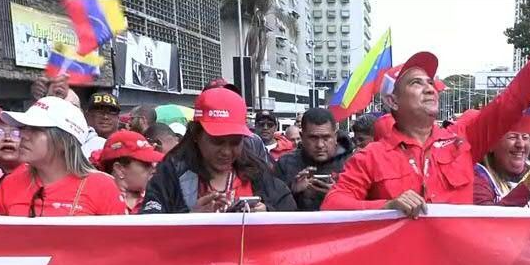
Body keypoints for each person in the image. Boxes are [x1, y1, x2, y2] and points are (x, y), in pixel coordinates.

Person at [324, 1, 530, 214]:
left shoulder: (463, 139)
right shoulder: (370, 157)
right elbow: (332, 205)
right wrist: (386, 207)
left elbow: (514, 99)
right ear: (392, 101)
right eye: (416, 83)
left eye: (430, 82)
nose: (429, 88)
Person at [140, 88, 295, 213]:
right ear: (196, 134)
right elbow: (150, 231)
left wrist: (268, 214)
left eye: (235, 142)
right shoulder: (171, 172)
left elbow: (291, 217)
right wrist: (190, 220)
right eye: (217, 141)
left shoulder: (257, 170)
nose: (226, 152)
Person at [0, 98, 126, 217]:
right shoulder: (10, 183)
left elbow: (116, 243)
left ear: (64, 141)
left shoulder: (103, 187)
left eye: (35, 129)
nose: (22, 135)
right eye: (23, 128)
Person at [275, 107, 350, 212]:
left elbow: (364, 208)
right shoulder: (284, 164)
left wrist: (337, 195)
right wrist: (292, 191)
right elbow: (273, 210)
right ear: (302, 137)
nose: (320, 145)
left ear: (335, 137)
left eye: (326, 138)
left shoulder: (351, 164)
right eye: (313, 138)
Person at [93, 129, 163, 214]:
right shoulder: (94, 200)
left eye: (153, 163)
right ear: (119, 169)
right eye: (146, 164)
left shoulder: (160, 199)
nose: (153, 169)